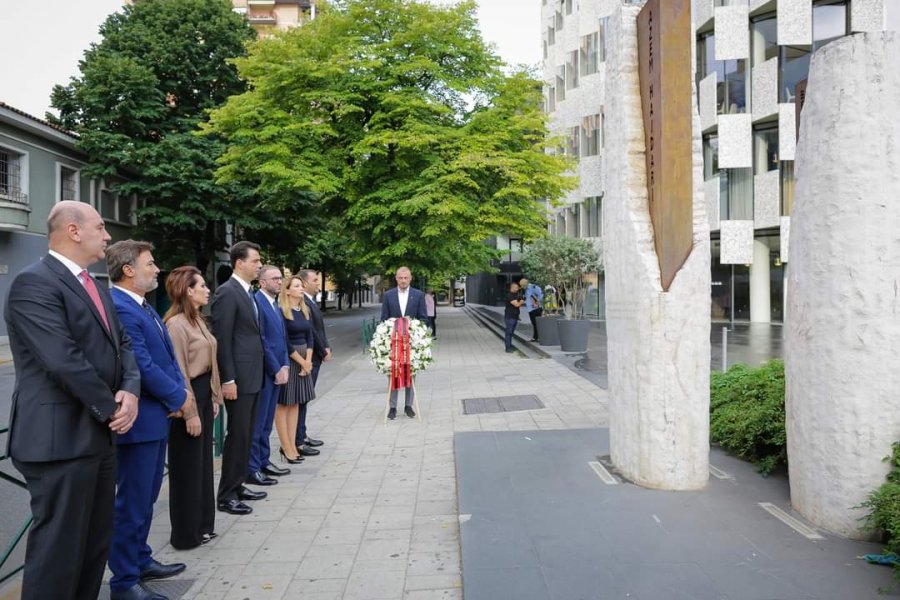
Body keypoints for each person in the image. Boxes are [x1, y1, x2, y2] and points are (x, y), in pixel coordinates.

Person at [3, 201, 139, 600]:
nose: (108, 234)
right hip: (58, 442)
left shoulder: (95, 285)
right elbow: (63, 360)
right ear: (74, 231)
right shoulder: (34, 282)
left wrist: (130, 390)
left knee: (93, 549)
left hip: (96, 438)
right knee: (58, 556)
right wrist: (114, 407)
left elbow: (123, 345)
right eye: (100, 226)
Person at [107, 240, 188, 600]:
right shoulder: (122, 307)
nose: (157, 269)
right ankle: (124, 582)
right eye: (150, 263)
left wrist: (175, 394)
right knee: (133, 503)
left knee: (147, 498)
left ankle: (140, 560)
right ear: (128, 270)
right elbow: (141, 363)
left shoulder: (144, 306)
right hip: (140, 422)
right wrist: (178, 396)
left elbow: (166, 359)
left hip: (156, 418)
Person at [163, 266, 223, 550]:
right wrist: (190, 412)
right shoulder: (176, 324)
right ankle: (186, 534)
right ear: (188, 290)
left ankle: (203, 526)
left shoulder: (198, 319)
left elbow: (211, 358)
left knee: (202, 466)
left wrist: (213, 396)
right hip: (186, 397)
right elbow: (179, 370)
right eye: (202, 285)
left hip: (202, 393)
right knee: (186, 468)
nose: (207, 289)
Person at [211, 241, 267, 516]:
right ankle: (227, 494)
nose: (259, 265)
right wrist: (228, 379)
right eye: (255, 261)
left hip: (253, 375)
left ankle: (240, 482)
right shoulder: (227, 293)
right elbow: (223, 339)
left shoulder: (247, 292)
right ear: (239, 263)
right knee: (238, 435)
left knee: (247, 434)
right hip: (240, 378)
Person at [247, 265, 292, 486]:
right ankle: (253, 466)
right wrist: (276, 368)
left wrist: (285, 365)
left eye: (280, 278)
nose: (279, 281)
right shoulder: (257, 302)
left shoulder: (274, 304)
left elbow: (281, 338)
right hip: (265, 371)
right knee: (258, 421)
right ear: (262, 282)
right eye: (274, 278)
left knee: (266, 422)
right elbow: (262, 339)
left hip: (278, 369)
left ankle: (264, 460)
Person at [276, 275, 316, 463]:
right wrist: (301, 362)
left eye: (302, 285)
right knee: (284, 404)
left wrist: (308, 361)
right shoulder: (282, 312)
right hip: (291, 359)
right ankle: (286, 447)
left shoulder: (303, 310)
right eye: (297, 286)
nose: (302, 288)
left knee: (296, 403)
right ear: (287, 290)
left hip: (304, 360)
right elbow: (284, 342)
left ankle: (293, 445)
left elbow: (310, 337)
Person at [380, 266, 428, 419]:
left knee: (410, 373)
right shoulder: (388, 295)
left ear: (410, 278)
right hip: (394, 342)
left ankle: (409, 406)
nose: (403, 281)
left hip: (411, 342)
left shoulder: (418, 295)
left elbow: (424, 318)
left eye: (405, 278)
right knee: (393, 373)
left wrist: (415, 330)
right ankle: (392, 407)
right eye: (400, 278)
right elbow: (383, 318)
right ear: (396, 278)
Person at [294, 269, 329, 456]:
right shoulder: (303, 302)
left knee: (306, 398)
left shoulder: (310, 301)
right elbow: (312, 332)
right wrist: (323, 350)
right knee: (302, 398)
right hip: (310, 357)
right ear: (305, 282)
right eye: (315, 280)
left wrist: (327, 345)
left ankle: (302, 434)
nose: (318, 283)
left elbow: (320, 328)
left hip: (315, 355)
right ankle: (298, 438)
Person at [519, 278, 544, 342]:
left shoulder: (533, 287)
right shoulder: (526, 289)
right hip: (530, 309)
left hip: (536, 308)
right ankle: (535, 337)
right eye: (521, 285)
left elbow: (541, 295)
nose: (521, 287)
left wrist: (537, 302)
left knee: (537, 323)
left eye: (522, 285)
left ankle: (538, 338)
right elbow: (528, 298)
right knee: (534, 323)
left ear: (526, 284)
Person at [504, 281, 525, 353]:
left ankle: (510, 345)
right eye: (516, 288)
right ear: (512, 288)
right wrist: (521, 302)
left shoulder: (516, 294)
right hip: (510, 317)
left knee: (511, 333)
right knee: (509, 332)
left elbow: (521, 300)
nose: (517, 289)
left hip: (515, 316)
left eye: (517, 287)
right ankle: (507, 348)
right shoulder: (509, 295)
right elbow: (516, 304)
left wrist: (521, 301)